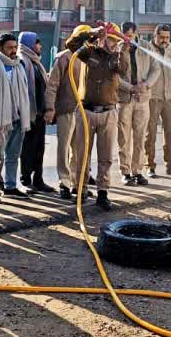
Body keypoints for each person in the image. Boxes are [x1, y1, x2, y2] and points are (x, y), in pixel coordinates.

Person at [67, 22, 127, 211]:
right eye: (109, 39)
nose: (111, 43)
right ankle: (81, 189)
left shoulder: (118, 58)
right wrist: (92, 34)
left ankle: (103, 192)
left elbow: (124, 70)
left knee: (106, 156)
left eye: (115, 40)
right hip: (86, 111)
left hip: (108, 112)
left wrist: (121, 50)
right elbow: (71, 44)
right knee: (82, 153)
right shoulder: (89, 53)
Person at [44, 24, 91, 201]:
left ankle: (76, 183)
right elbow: (52, 84)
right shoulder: (64, 58)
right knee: (63, 149)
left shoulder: (89, 59)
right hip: (66, 109)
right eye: (83, 38)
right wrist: (50, 108)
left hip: (83, 111)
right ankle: (64, 183)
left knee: (79, 151)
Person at [0, 33, 32, 201]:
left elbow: (24, 92)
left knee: (13, 155)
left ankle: (10, 187)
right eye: (9, 48)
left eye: (15, 48)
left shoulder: (19, 65)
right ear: (0, 48)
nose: (13, 51)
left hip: (19, 117)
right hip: (0, 120)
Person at [116, 22, 160, 187]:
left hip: (142, 99)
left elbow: (156, 69)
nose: (127, 38)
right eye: (124, 35)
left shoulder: (146, 47)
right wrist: (130, 88)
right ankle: (125, 172)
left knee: (140, 137)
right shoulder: (118, 49)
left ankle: (138, 171)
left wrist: (146, 85)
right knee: (124, 137)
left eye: (130, 35)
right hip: (125, 99)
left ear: (136, 33)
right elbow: (115, 75)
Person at [145, 24, 171, 178]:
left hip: (170, 96)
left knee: (170, 133)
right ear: (155, 36)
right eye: (162, 37)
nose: (165, 40)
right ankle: (150, 165)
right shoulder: (148, 49)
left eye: (167, 37)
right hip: (153, 97)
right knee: (151, 133)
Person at [17, 32, 52, 193]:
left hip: (39, 114)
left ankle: (38, 180)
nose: (40, 46)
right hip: (28, 114)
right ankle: (26, 180)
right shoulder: (22, 61)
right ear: (29, 44)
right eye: (37, 42)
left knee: (39, 149)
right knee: (27, 149)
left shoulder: (36, 63)